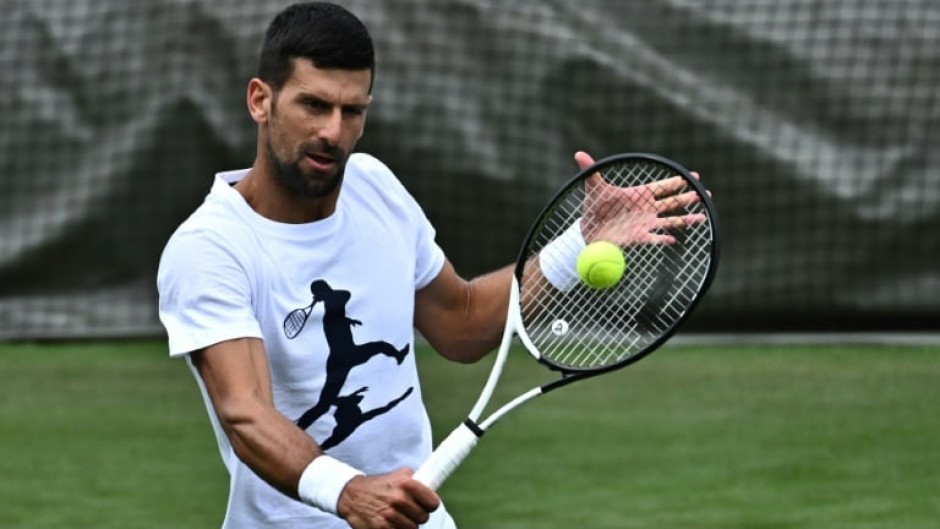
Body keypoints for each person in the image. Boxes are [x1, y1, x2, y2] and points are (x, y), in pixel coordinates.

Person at [157, 3, 704, 529]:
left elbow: (460, 322)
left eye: (353, 111)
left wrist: (578, 242)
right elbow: (245, 413)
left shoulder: (374, 187)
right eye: (314, 105)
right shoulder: (210, 248)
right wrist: (348, 494)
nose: (333, 131)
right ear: (260, 100)